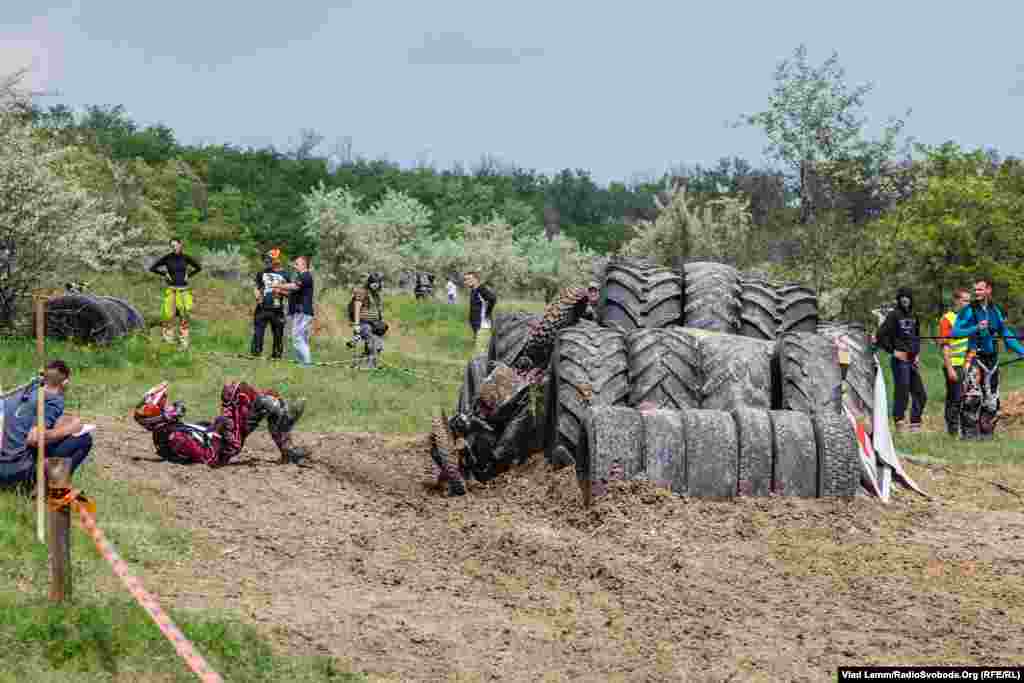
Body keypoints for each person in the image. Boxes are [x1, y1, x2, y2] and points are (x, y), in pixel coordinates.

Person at [133, 381, 309, 466]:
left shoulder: (167, 433)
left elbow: (200, 437)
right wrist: (218, 427)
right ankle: (284, 421)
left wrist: (214, 426)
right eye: (165, 407)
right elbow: (209, 458)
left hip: (225, 439)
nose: (171, 407)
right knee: (234, 391)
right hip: (227, 445)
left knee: (265, 397)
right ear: (157, 418)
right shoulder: (174, 437)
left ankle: (288, 449)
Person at [0, 360, 93, 492]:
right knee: (83, 439)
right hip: (17, 474)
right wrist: (71, 428)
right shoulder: (53, 400)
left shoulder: (19, 394)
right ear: (65, 383)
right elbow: (34, 438)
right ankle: (55, 492)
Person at [952, 277, 1024, 440]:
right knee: (972, 398)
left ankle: (986, 435)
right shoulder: (968, 310)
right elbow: (955, 332)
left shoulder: (995, 310)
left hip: (992, 361)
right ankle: (968, 435)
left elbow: (1005, 333)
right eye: (975, 289)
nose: (976, 292)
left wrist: (1021, 351)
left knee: (991, 402)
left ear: (988, 290)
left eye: (980, 289)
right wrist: (975, 328)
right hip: (974, 358)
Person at [875, 287, 926, 433]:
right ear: (899, 299)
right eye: (902, 297)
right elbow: (880, 335)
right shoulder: (893, 315)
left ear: (911, 299)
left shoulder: (914, 315)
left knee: (920, 394)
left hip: (912, 360)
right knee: (902, 392)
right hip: (900, 361)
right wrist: (893, 351)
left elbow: (916, 336)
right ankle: (899, 422)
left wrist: (917, 354)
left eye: (907, 297)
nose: (905, 299)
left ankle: (915, 424)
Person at [150, 238, 202, 348]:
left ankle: (184, 343)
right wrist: (164, 274)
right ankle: (169, 342)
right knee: (169, 316)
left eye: (175, 245)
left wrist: (189, 275)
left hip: (183, 291)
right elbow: (153, 268)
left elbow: (198, 268)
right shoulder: (167, 258)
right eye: (172, 246)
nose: (174, 247)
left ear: (180, 245)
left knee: (184, 317)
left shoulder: (185, 258)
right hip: (172, 290)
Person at [939, 289, 971, 437]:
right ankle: (952, 431)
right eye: (965, 300)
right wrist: (949, 368)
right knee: (955, 398)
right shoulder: (947, 319)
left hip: (967, 365)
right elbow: (945, 346)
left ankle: (966, 430)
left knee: (966, 398)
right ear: (957, 301)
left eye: (969, 301)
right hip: (954, 365)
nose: (968, 304)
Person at [251, 249, 290, 360]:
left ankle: (276, 356)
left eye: (270, 259)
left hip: (277, 310)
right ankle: (255, 355)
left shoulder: (285, 275)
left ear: (278, 260)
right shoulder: (262, 273)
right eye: (267, 259)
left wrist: (280, 291)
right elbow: (256, 287)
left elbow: (290, 293)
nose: (267, 261)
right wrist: (257, 295)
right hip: (262, 308)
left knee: (278, 335)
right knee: (258, 333)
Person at [276, 255, 315, 366]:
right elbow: (293, 293)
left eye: (297, 264)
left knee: (297, 338)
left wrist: (278, 285)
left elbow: (294, 286)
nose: (294, 266)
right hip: (301, 312)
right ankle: (302, 362)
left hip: (302, 312)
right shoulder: (301, 277)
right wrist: (281, 291)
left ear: (304, 265)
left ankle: (307, 363)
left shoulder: (305, 276)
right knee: (301, 338)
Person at [347, 272, 389, 368]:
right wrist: (356, 325)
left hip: (374, 323)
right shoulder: (362, 292)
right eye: (373, 283)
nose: (375, 285)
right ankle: (369, 365)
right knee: (371, 340)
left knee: (378, 344)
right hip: (363, 322)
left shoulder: (376, 295)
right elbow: (357, 307)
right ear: (369, 282)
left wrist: (381, 322)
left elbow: (378, 310)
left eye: (377, 283)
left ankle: (369, 362)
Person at [463, 271, 497, 354]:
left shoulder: (481, 289)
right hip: (478, 326)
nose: (466, 281)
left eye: (469, 279)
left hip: (483, 326)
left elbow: (492, 298)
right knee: (480, 352)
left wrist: (487, 313)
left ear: (476, 279)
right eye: (465, 279)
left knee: (481, 353)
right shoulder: (474, 290)